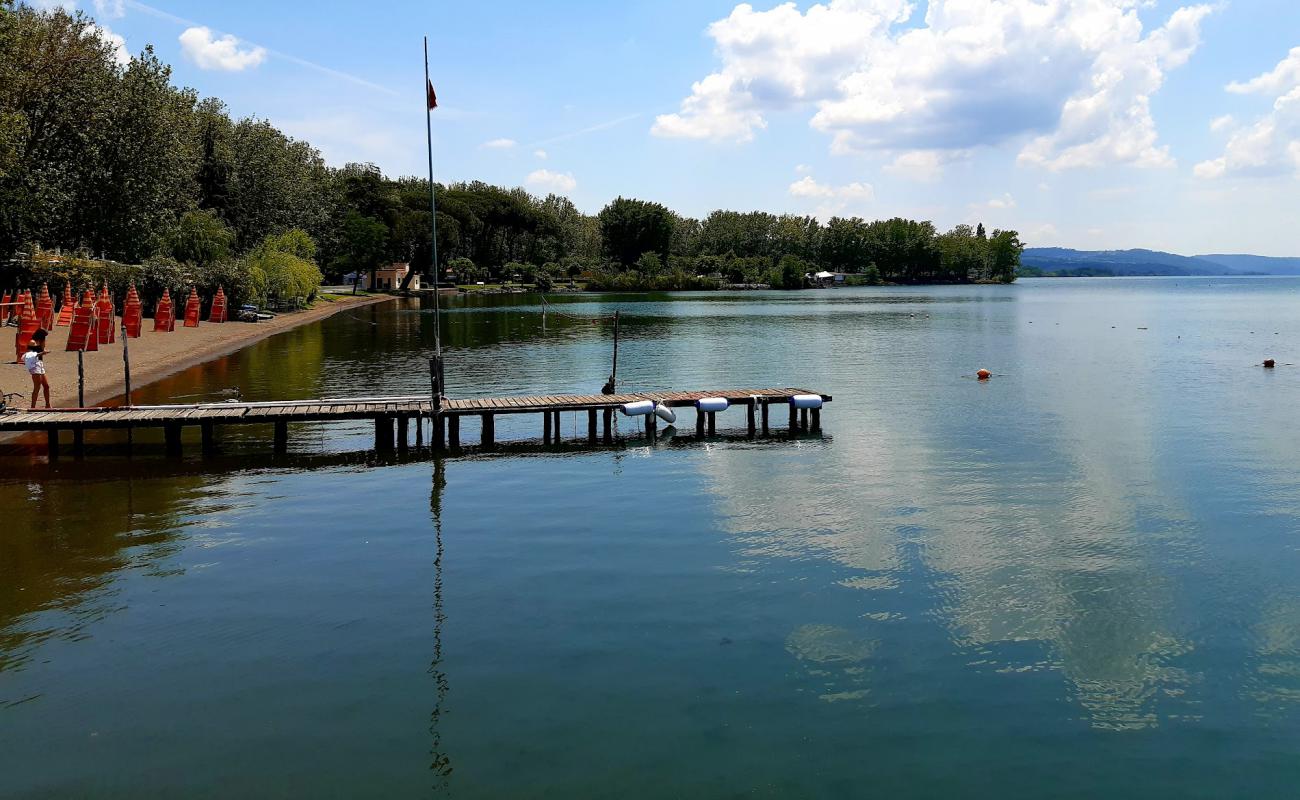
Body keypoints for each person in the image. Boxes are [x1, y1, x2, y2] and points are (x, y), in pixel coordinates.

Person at [23, 341, 50, 408]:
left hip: (40, 367)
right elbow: (36, 355)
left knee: (46, 386)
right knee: (37, 387)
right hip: (35, 371)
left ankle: (48, 404)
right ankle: (33, 407)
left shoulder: (32, 353)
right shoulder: (29, 354)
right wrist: (43, 353)